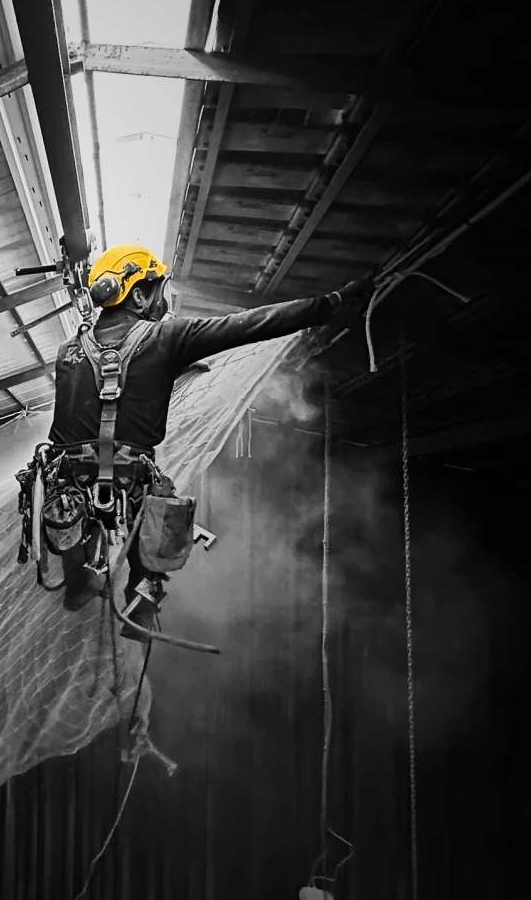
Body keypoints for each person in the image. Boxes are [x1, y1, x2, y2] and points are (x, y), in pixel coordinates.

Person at [31, 243, 352, 638]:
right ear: (138, 293)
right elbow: (252, 323)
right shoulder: (167, 336)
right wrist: (329, 303)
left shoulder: (68, 352)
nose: (162, 299)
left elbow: (94, 401)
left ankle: (79, 582)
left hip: (69, 490)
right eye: (158, 288)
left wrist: (169, 366)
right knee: (152, 545)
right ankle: (141, 610)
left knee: (73, 518)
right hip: (131, 484)